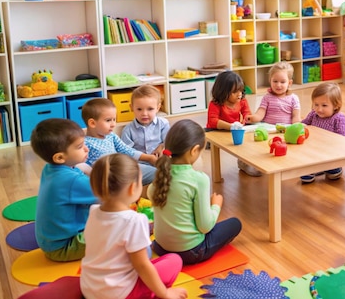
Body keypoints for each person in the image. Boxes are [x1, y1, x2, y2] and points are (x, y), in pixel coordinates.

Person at [80, 154, 188, 299]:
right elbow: (142, 266)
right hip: (119, 293)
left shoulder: (93, 211)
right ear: (132, 188)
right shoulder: (134, 220)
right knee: (174, 260)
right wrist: (165, 293)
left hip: (89, 288)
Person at [149, 119, 242, 265]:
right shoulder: (199, 179)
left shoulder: (160, 174)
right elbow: (205, 227)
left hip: (161, 248)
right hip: (191, 252)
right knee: (235, 224)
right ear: (194, 150)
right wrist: (216, 205)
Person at [30, 118, 98, 262]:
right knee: (118, 227)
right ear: (60, 157)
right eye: (80, 147)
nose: (86, 148)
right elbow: (108, 194)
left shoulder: (50, 168)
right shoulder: (71, 181)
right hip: (65, 247)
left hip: (50, 243)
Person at [77, 98, 157, 186]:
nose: (113, 124)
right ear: (92, 123)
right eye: (108, 120)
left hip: (124, 170)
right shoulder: (85, 143)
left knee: (156, 173)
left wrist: (149, 158)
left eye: (114, 119)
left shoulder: (111, 136)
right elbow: (82, 167)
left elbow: (127, 150)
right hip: (109, 179)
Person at [206, 71, 257, 176]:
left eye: (241, 90)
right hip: (217, 130)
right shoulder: (215, 103)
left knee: (246, 141)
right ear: (223, 92)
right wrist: (231, 126)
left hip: (235, 129)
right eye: (235, 92)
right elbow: (213, 121)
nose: (239, 94)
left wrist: (248, 119)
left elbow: (247, 113)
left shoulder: (242, 101)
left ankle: (244, 163)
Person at [299, 82, 345, 183]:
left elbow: (344, 138)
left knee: (333, 174)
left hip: (330, 152)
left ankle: (331, 167)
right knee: (305, 176)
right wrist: (300, 126)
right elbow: (303, 124)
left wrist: (330, 141)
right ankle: (313, 168)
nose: (319, 109)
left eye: (324, 105)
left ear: (336, 105)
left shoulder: (338, 118)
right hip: (313, 150)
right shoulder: (313, 114)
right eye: (316, 104)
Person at [121, 84, 170, 157]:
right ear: (132, 108)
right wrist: (145, 158)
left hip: (160, 159)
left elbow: (169, 143)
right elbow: (125, 151)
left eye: (150, 109)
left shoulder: (163, 124)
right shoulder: (128, 130)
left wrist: (161, 147)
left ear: (158, 108)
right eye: (139, 109)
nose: (144, 114)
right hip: (140, 163)